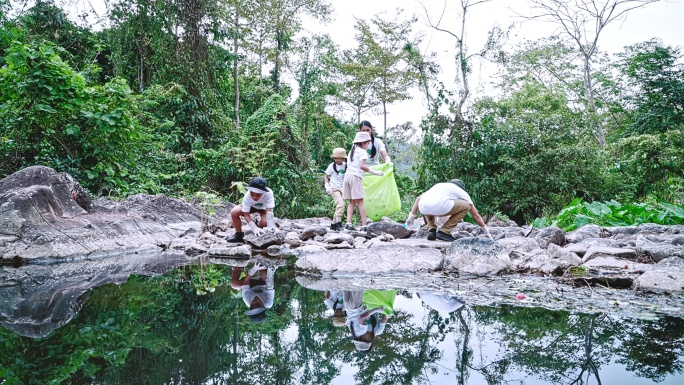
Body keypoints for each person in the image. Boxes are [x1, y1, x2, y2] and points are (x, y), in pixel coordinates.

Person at [406, 179, 493, 242]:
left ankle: (432, 230)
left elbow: (419, 199)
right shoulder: (461, 191)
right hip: (439, 207)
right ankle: (444, 231)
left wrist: (411, 217)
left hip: (423, 208)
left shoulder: (439, 186)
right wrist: (487, 232)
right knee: (466, 206)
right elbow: (476, 215)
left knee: (429, 204)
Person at [343, 132, 384, 231]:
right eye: (367, 143)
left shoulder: (352, 151)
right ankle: (364, 225)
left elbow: (353, 166)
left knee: (351, 202)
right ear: (363, 142)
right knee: (360, 202)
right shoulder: (362, 152)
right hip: (355, 177)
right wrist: (376, 172)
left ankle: (348, 224)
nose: (368, 145)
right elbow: (362, 166)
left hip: (347, 176)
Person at [226, 177, 276, 243]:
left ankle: (258, 224)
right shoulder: (247, 196)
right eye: (252, 194)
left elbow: (269, 212)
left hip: (263, 209)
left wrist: (270, 228)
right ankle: (238, 235)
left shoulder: (269, 193)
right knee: (234, 211)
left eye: (258, 195)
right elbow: (246, 215)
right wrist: (254, 228)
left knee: (265, 222)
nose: (254, 197)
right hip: (251, 207)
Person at [324, 148, 347, 231]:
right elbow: (326, 176)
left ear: (342, 158)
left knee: (339, 206)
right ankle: (338, 224)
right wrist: (327, 185)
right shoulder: (332, 166)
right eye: (335, 158)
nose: (336, 159)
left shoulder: (346, 165)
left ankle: (333, 225)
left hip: (342, 188)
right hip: (334, 188)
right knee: (341, 204)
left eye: (338, 158)